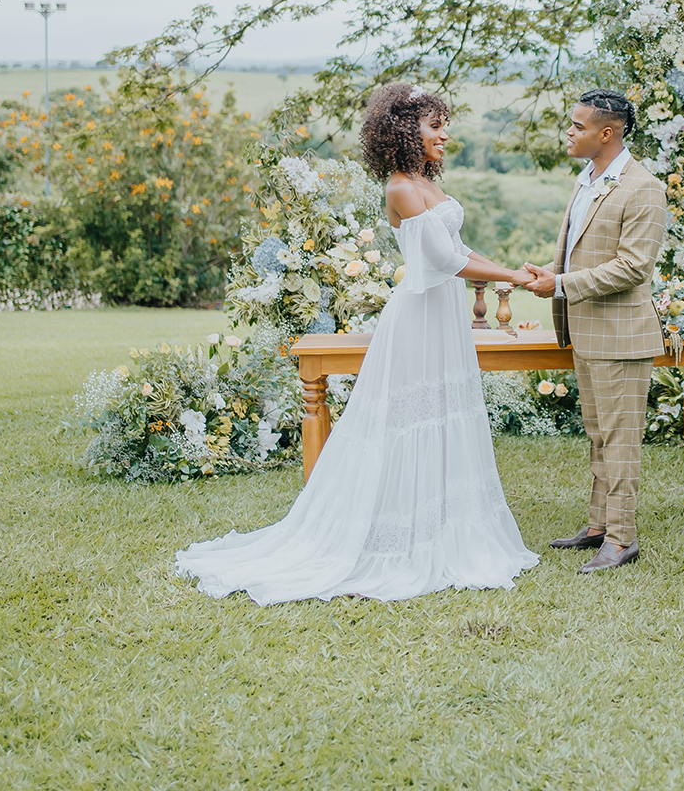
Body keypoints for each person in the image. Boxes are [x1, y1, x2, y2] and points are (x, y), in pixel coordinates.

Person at [175, 83, 539, 604]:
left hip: (445, 318)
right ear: (406, 131)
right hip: (418, 318)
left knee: (444, 412)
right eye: (435, 126)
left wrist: (507, 266)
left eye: (444, 124)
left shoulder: (427, 181)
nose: (445, 134)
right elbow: (447, 262)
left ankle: (443, 526)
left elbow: (460, 247)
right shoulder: (400, 189)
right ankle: (398, 534)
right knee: (406, 422)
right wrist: (516, 279)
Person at [522, 89, 668, 573]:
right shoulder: (589, 180)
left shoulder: (642, 187)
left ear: (607, 133)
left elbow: (631, 267)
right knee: (598, 436)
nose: (570, 131)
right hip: (588, 332)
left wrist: (560, 284)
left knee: (620, 438)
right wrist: (546, 272)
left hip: (621, 335)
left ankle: (622, 538)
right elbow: (586, 253)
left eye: (578, 125)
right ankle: (599, 525)